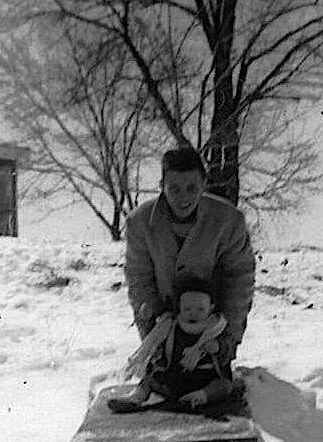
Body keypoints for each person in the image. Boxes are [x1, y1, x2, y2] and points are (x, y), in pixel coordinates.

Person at [123, 146, 255, 387]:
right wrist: (153, 338)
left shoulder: (229, 222)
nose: (183, 197)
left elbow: (240, 282)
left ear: (204, 183)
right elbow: (139, 279)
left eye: (191, 188)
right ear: (162, 185)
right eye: (174, 188)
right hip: (164, 326)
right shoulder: (139, 223)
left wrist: (227, 341)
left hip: (210, 327)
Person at [108, 276, 233, 411]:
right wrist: (157, 353)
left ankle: (196, 398)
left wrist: (218, 347)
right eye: (187, 309)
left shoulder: (216, 328)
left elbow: (228, 349)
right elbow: (156, 346)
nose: (193, 314)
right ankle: (136, 397)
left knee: (223, 386)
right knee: (149, 380)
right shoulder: (169, 326)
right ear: (179, 307)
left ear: (211, 307)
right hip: (173, 378)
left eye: (200, 309)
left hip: (204, 379)